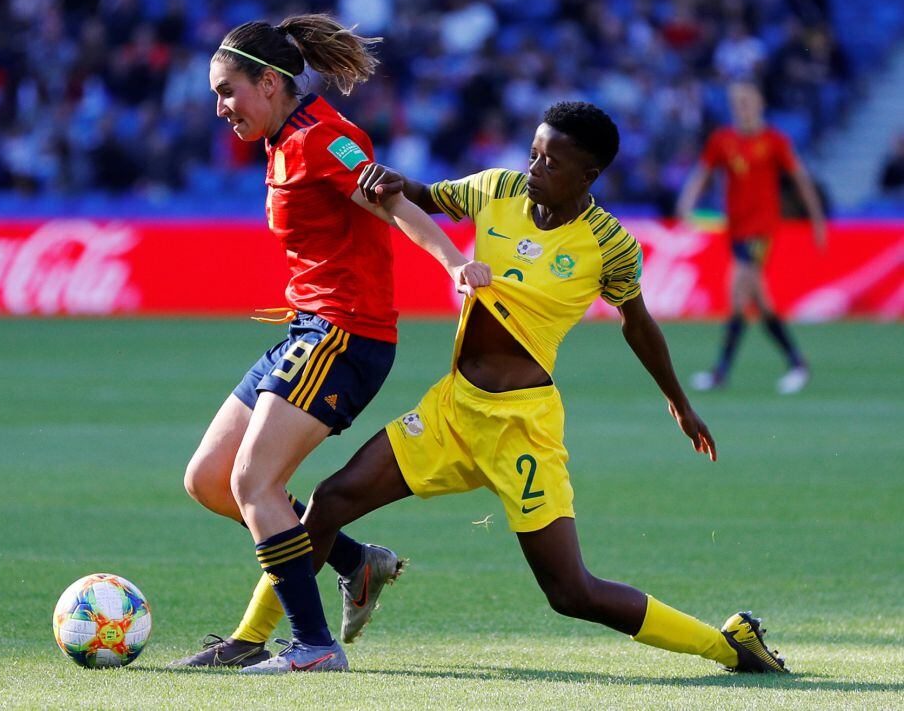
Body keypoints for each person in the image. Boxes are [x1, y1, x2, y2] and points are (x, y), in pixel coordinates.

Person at [243, 102, 788, 675]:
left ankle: (730, 645)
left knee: (570, 592)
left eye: (551, 163)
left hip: (522, 429)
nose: (534, 168)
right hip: (453, 411)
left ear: (588, 176)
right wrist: (393, 180)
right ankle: (253, 640)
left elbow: (637, 321)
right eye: (533, 152)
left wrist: (679, 401)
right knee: (329, 502)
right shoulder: (496, 189)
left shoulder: (609, 244)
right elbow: (426, 197)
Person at [171, 14, 491, 672]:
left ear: (268, 82)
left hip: (345, 335)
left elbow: (392, 199)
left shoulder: (326, 139)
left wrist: (454, 263)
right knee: (209, 480)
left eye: (227, 91)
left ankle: (313, 646)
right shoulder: (281, 138)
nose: (219, 107)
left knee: (255, 480)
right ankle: (355, 561)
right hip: (307, 331)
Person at [676, 82, 827, 394]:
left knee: (738, 293)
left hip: (762, 230)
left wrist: (817, 220)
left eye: (747, 100)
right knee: (759, 301)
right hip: (736, 229)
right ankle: (797, 363)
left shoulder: (774, 141)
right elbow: (702, 174)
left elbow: (801, 179)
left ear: (760, 103)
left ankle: (721, 372)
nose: (741, 106)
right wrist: (687, 202)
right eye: (736, 101)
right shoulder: (722, 141)